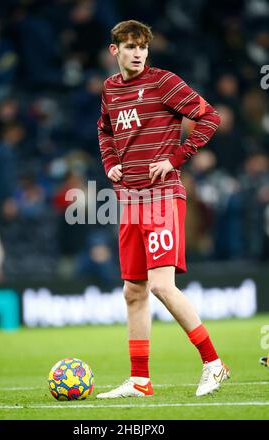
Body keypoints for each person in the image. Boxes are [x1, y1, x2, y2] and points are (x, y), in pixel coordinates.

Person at [97, 20, 230, 398]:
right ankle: (139, 380)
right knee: (133, 291)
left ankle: (214, 364)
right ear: (115, 51)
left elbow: (210, 117)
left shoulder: (163, 82)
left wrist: (177, 157)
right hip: (129, 200)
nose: (137, 54)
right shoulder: (109, 90)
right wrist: (110, 164)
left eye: (142, 47)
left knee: (160, 285)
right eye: (130, 47)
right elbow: (105, 131)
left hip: (161, 197)